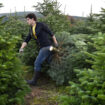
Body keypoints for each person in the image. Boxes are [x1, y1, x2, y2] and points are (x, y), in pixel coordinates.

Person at [19, 13, 58, 86]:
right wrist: (21, 48)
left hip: (47, 46)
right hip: (43, 47)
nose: (27, 21)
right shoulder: (31, 29)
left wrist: (56, 43)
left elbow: (51, 33)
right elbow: (27, 39)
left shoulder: (41, 25)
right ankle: (56, 76)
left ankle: (34, 81)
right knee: (50, 61)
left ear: (32, 19)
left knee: (37, 63)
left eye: (28, 20)